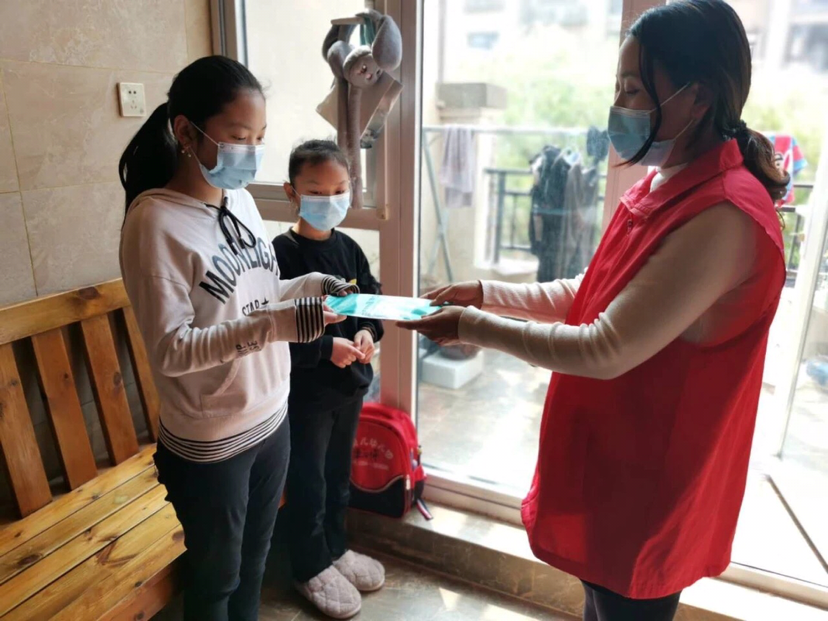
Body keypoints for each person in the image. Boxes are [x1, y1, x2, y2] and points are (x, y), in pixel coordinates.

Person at [399, 2, 789, 620]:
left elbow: (604, 346)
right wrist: (484, 291)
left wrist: (473, 327)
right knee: (599, 604)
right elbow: (593, 291)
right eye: (618, 87)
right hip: (611, 463)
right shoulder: (665, 181)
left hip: (650, 484)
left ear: (698, 95)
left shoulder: (724, 215)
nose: (618, 105)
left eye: (633, 89)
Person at [119, 57, 354, 621]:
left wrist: (313, 284)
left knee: (254, 565)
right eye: (239, 137)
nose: (251, 151)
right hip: (212, 442)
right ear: (186, 132)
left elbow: (262, 292)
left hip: (272, 417)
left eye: (259, 138)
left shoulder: (241, 201)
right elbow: (172, 348)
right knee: (217, 582)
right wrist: (277, 325)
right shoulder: (154, 223)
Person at [272, 140, 385, 620]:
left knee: (339, 477)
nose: (330, 200)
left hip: (350, 388)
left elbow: (371, 303)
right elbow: (271, 332)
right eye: (316, 191)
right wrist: (326, 348)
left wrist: (366, 333)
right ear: (292, 193)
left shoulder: (349, 248)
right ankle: (309, 565)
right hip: (307, 397)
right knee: (308, 482)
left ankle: (336, 549)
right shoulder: (280, 255)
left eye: (339, 190)